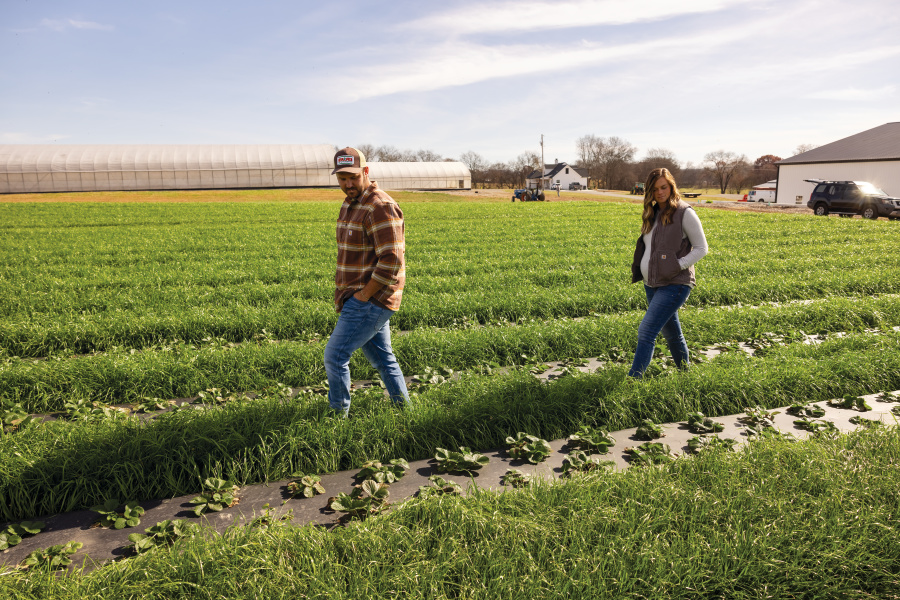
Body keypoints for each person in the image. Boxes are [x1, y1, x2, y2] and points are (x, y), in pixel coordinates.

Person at [324, 147, 409, 416]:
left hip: (370, 299)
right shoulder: (351, 204)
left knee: (335, 356)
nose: (348, 184)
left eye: (353, 177)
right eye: (342, 178)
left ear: (366, 172)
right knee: (383, 359)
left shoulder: (379, 206)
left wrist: (364, 296)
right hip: (358, 296)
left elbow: (391, 261)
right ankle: (405, 412)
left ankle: (337, 419)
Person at [628, 168, 708, 378]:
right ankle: (686, 374)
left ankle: (633, 380)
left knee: (646, 331)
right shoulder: (652, 213)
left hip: (675, 284)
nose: (660, 192)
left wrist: (677, 265)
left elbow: (701, 248)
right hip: (652, 284)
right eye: (655, 189)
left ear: (671, 186)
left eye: (664, 187)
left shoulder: (684, 212)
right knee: (672, 334)